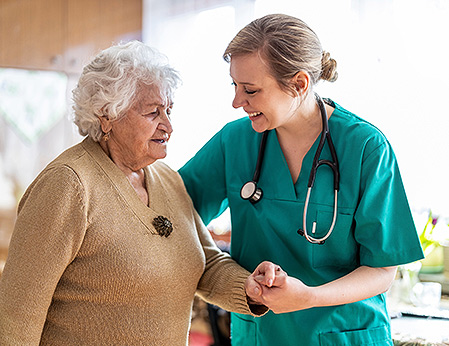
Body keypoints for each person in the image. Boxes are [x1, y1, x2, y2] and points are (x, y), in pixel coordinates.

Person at [0, 40, 282, 345]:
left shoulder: (167, 179)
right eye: (152, 113)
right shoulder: (68, 185)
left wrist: (248, 287)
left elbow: (206, 264)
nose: (168, 126)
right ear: (106, 115)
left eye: (169, 110)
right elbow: (17, 314)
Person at [179, 14, 424, 346]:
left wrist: (308, 296)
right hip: (260, 334)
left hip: (344, 334)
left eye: (250, 89)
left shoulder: (365, 148)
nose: (237, 101)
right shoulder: (233, 142)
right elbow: (173, 212)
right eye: (234, 86)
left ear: (299, 83)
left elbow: (383, 271)